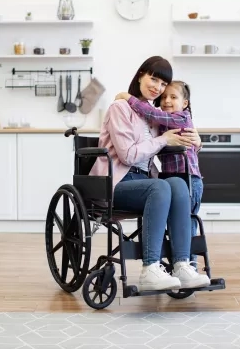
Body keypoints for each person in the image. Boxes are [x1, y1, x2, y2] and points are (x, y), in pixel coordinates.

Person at [89, 56, 210, 291]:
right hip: (115, 181)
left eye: (163, 84)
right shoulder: (120, 108)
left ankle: (181, 264)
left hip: (143, 183)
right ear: (141, 75)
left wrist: (197, 140)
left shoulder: (151, 115)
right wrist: (163, 139)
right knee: (161, 186)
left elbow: (180, 128)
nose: (158, 88)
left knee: (177, 184)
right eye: (153, 79)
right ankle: (150, 268)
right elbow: (127, 156)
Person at [115, 80, 203, 267]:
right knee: (175, 222)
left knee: (187, 224)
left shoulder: (178, 118)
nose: (167, 100)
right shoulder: (161, 124)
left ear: (185, 103)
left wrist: (128, 98)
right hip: (171, 179)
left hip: (189, 179)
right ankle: (177, 264)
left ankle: (190, 265)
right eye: (164, 97)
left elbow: (151, 113)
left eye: (173, 97)